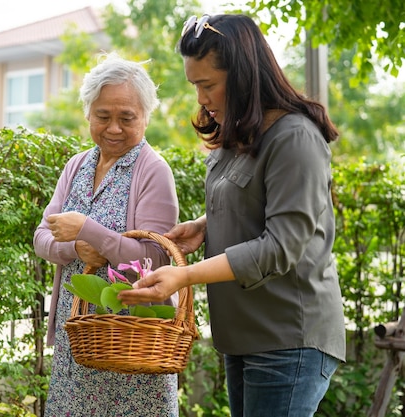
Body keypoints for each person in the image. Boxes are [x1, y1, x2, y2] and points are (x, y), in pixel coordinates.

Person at [118, 14, 346, 417]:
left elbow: (281, 246)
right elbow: (258, 205)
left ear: (243, 76)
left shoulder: (295, 137)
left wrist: (186, 275)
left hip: (287, 338)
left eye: (207, 85)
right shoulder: (239, 135)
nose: (201, 99)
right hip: (242, 336)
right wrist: (205, 227)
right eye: (195, 86)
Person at [33, 52, 180, 416]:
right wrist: (75, 249)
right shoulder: (77, 166)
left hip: (131, 343)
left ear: (146, 117)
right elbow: (41, 237)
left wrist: (90, 231)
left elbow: (156, 258)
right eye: (102, 116)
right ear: (87, 113)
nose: (113, 128)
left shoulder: (153, 171)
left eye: (126, 118)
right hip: (79, 338)